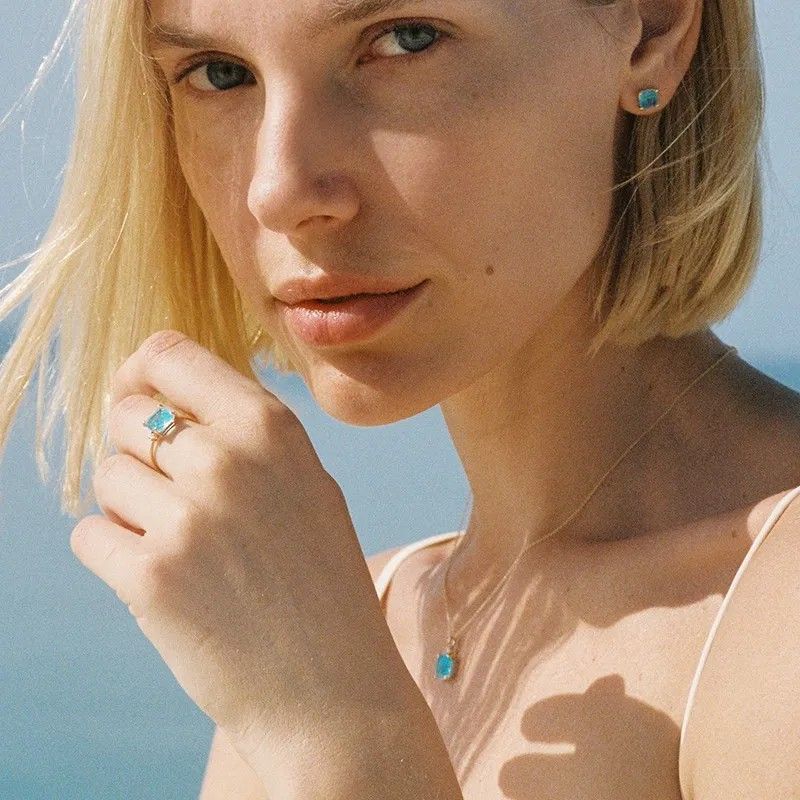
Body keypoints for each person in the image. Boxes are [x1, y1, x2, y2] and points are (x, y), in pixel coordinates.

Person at [0, 0, 798, 798]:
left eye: (405, 41)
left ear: (650, 27)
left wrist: (342, 736)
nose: (280, 190)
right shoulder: (337, 625)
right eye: (219, 74)